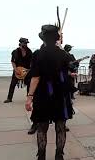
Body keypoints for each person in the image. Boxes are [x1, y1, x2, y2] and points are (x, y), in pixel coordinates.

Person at [25, 24, 74, 160]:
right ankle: (59, 156)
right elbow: (67, 72)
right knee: (61, 127)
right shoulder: (64, 54)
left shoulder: (38, 54)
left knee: (42, 127)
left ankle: (41, 157)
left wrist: (29, 97)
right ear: (56, 38)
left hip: (43, 95)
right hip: (61, 95)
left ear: (44, 39)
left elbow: (35, 77)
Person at [4, 38, 32, 103]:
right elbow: (13, 61)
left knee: (29, 84)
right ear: (21, 43)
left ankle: (29, 98)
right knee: (12, 84)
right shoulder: (15, 51)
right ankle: (9, 98)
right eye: (24, 43)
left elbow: (31, 62)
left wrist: (29, 70)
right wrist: (15, 69)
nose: (26, 44)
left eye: (26, 43)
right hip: (17, 70)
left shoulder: (29, 51)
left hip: (27, 70)